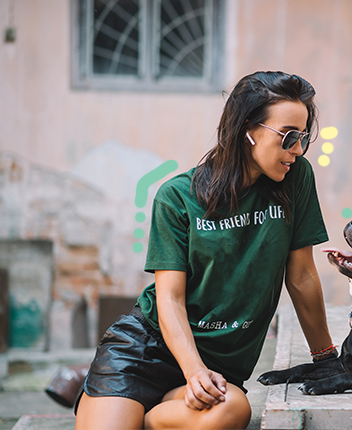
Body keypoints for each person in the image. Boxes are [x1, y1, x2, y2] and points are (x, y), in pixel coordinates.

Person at [75, 71, 337, 430]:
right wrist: (192, 369)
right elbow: (169, 299)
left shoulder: (296, 179)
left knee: (233, 409)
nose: (298, 150)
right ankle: (114, 395)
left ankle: (141, 415)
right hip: (145, 351)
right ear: (248, 129)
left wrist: (327, 359)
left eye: (304, 137)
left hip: (217, 367)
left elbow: (302, 275)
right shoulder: (178, 197)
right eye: (289, 137)